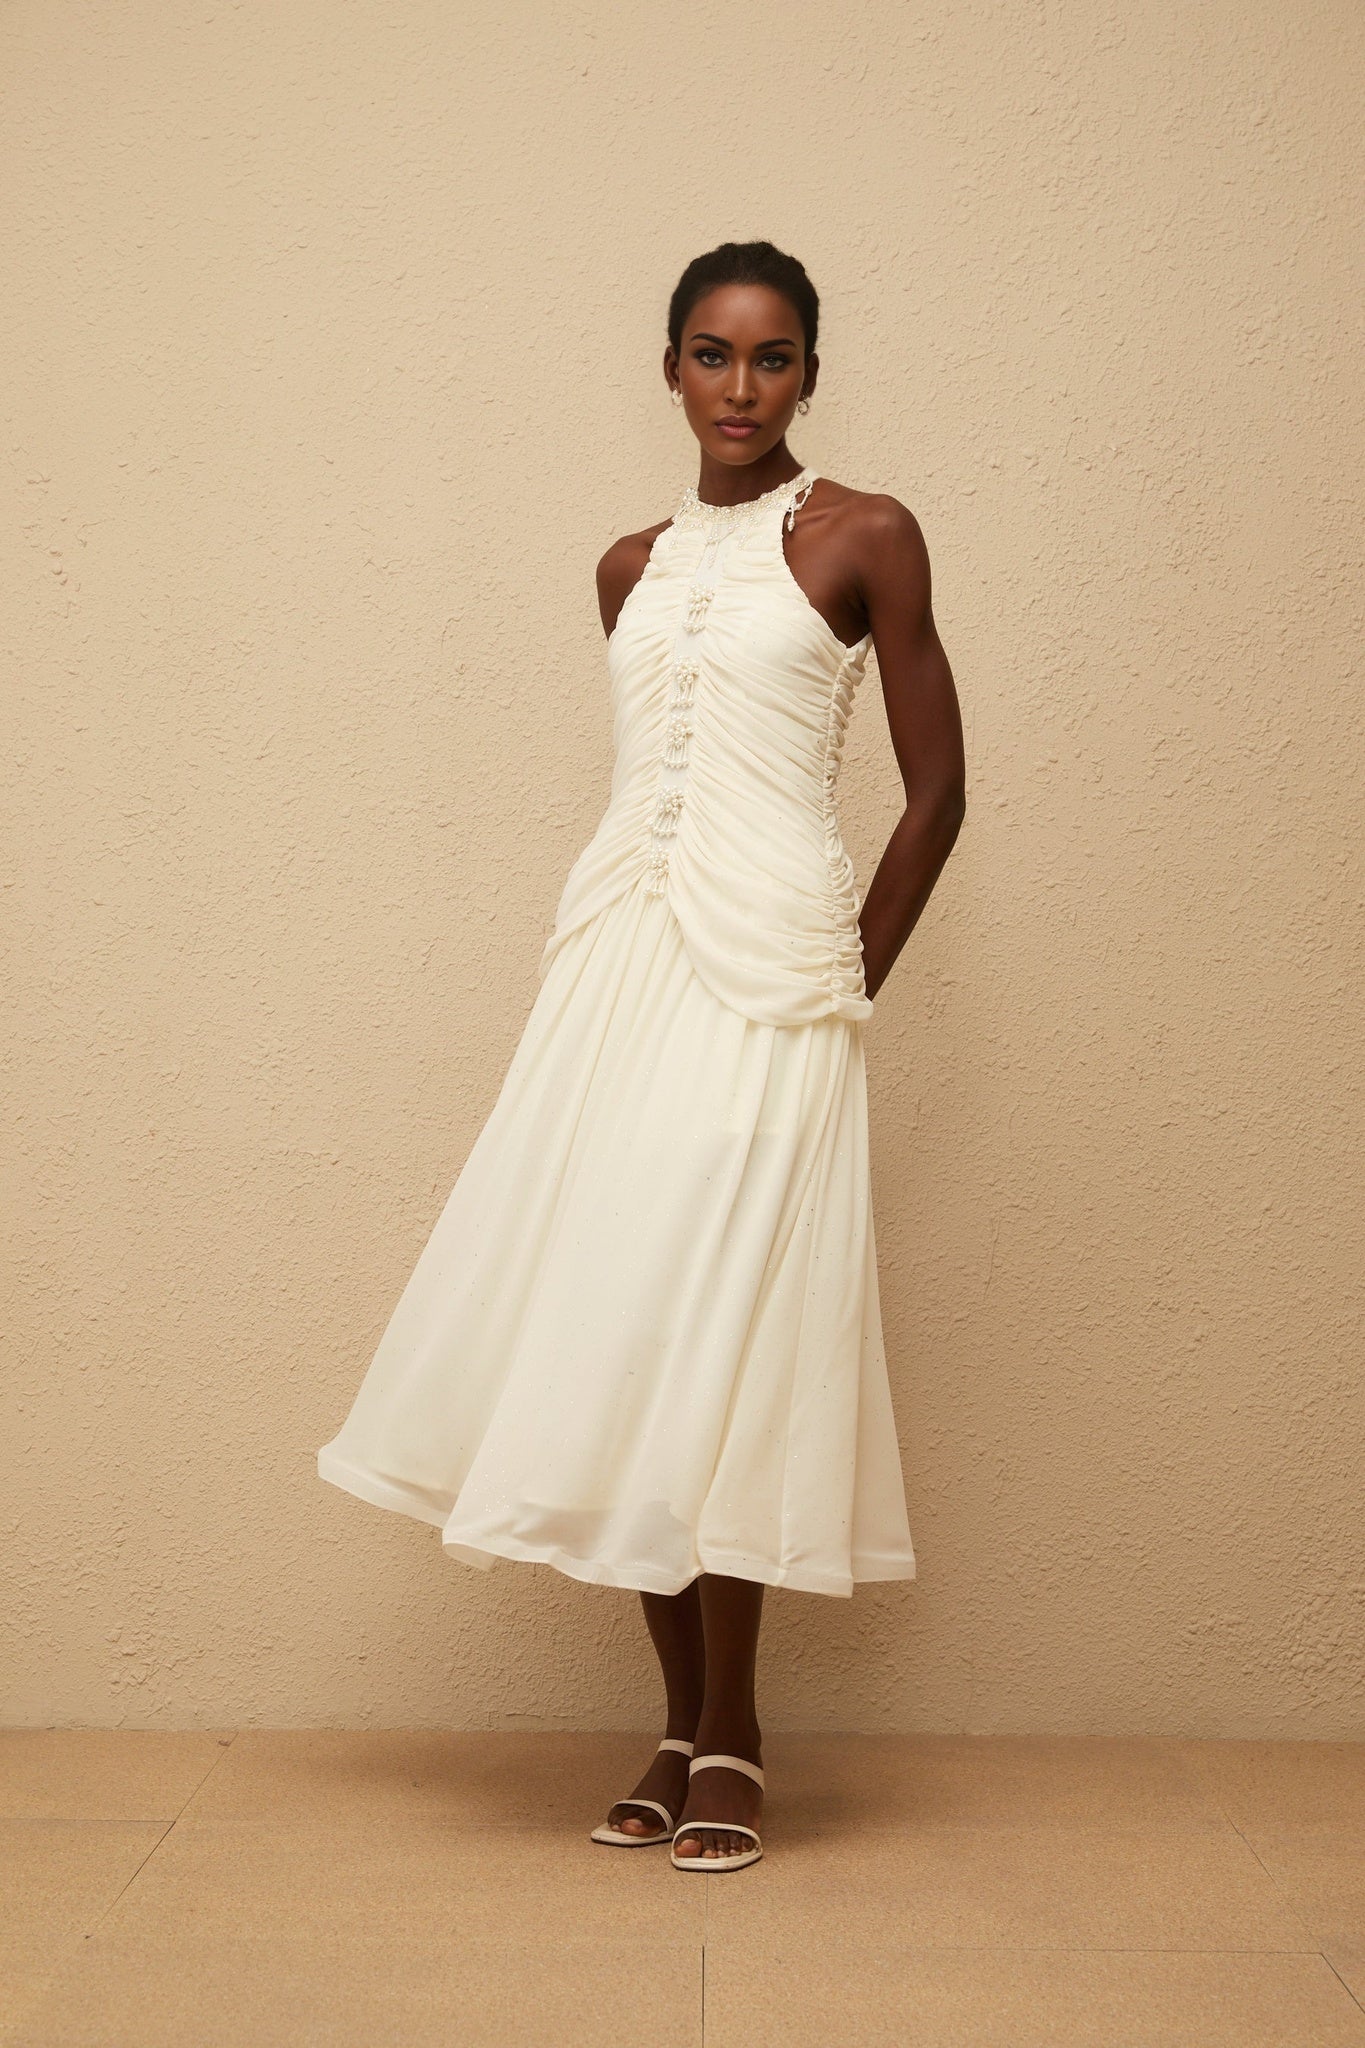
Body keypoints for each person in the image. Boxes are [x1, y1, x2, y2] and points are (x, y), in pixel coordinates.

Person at [317, 239, 966, 1873]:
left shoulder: (867, 536)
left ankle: (734, 1730)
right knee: (622, 1327)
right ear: (668, 367)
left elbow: (938, 792)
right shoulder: (626, 567)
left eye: (772, 357)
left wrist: (847, 979)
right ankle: (676, 1725)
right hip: (618, 972)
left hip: (777, 986)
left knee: (729, 1337)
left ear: (809, 372)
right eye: (710, 354)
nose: (740, 387)